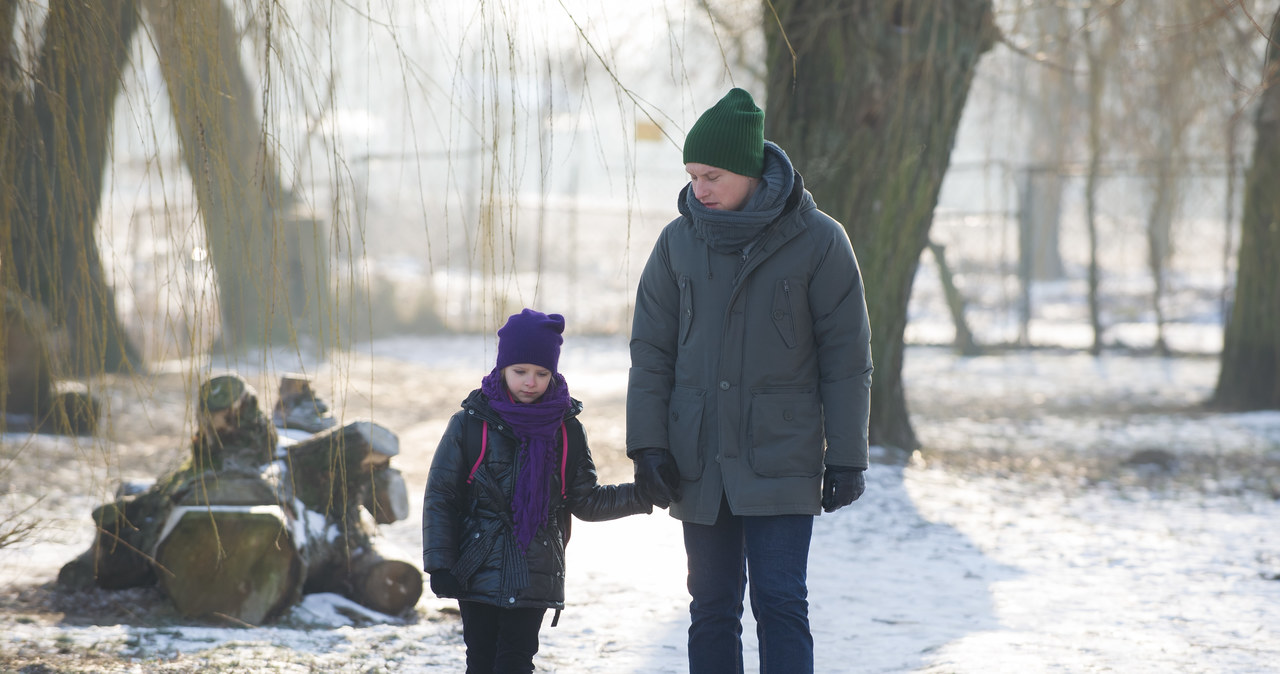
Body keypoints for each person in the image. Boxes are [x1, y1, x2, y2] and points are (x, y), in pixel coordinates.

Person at [626, 88, 874, 673]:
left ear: (750, 170)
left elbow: (847, 358)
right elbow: (652, 353)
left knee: (781, 603)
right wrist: (648, 446)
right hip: (699, 456)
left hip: (780, 453)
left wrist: (847, 456)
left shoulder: (819, 240)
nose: (699, 189)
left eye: (712, 175)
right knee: (710, 607)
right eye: (692, 176)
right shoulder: (676, 243)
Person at [423, 308, 651, 674]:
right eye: (520, 371)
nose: (531, 382)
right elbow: (441, 495)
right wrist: (439, 562)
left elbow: (586, 499)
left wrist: (643, 495)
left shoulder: (567, 430)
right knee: (481, 660)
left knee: (516, 661)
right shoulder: (469, 424)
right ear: (502, 369)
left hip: (536, 568)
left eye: (542, 373)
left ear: (553, 373)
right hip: (475, 565)